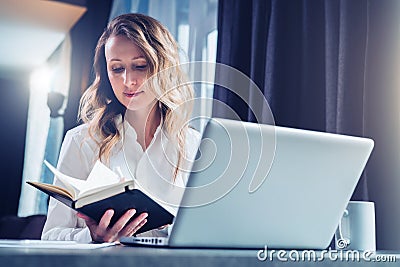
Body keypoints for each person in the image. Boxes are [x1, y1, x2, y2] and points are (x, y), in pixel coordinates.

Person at [41, 13, 200, 243]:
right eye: (117, 69)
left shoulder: (193, 145)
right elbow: (50, 236)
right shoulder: (81, 141)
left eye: (140, 66)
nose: (128, 80)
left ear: (164, 67)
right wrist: (92, 237)